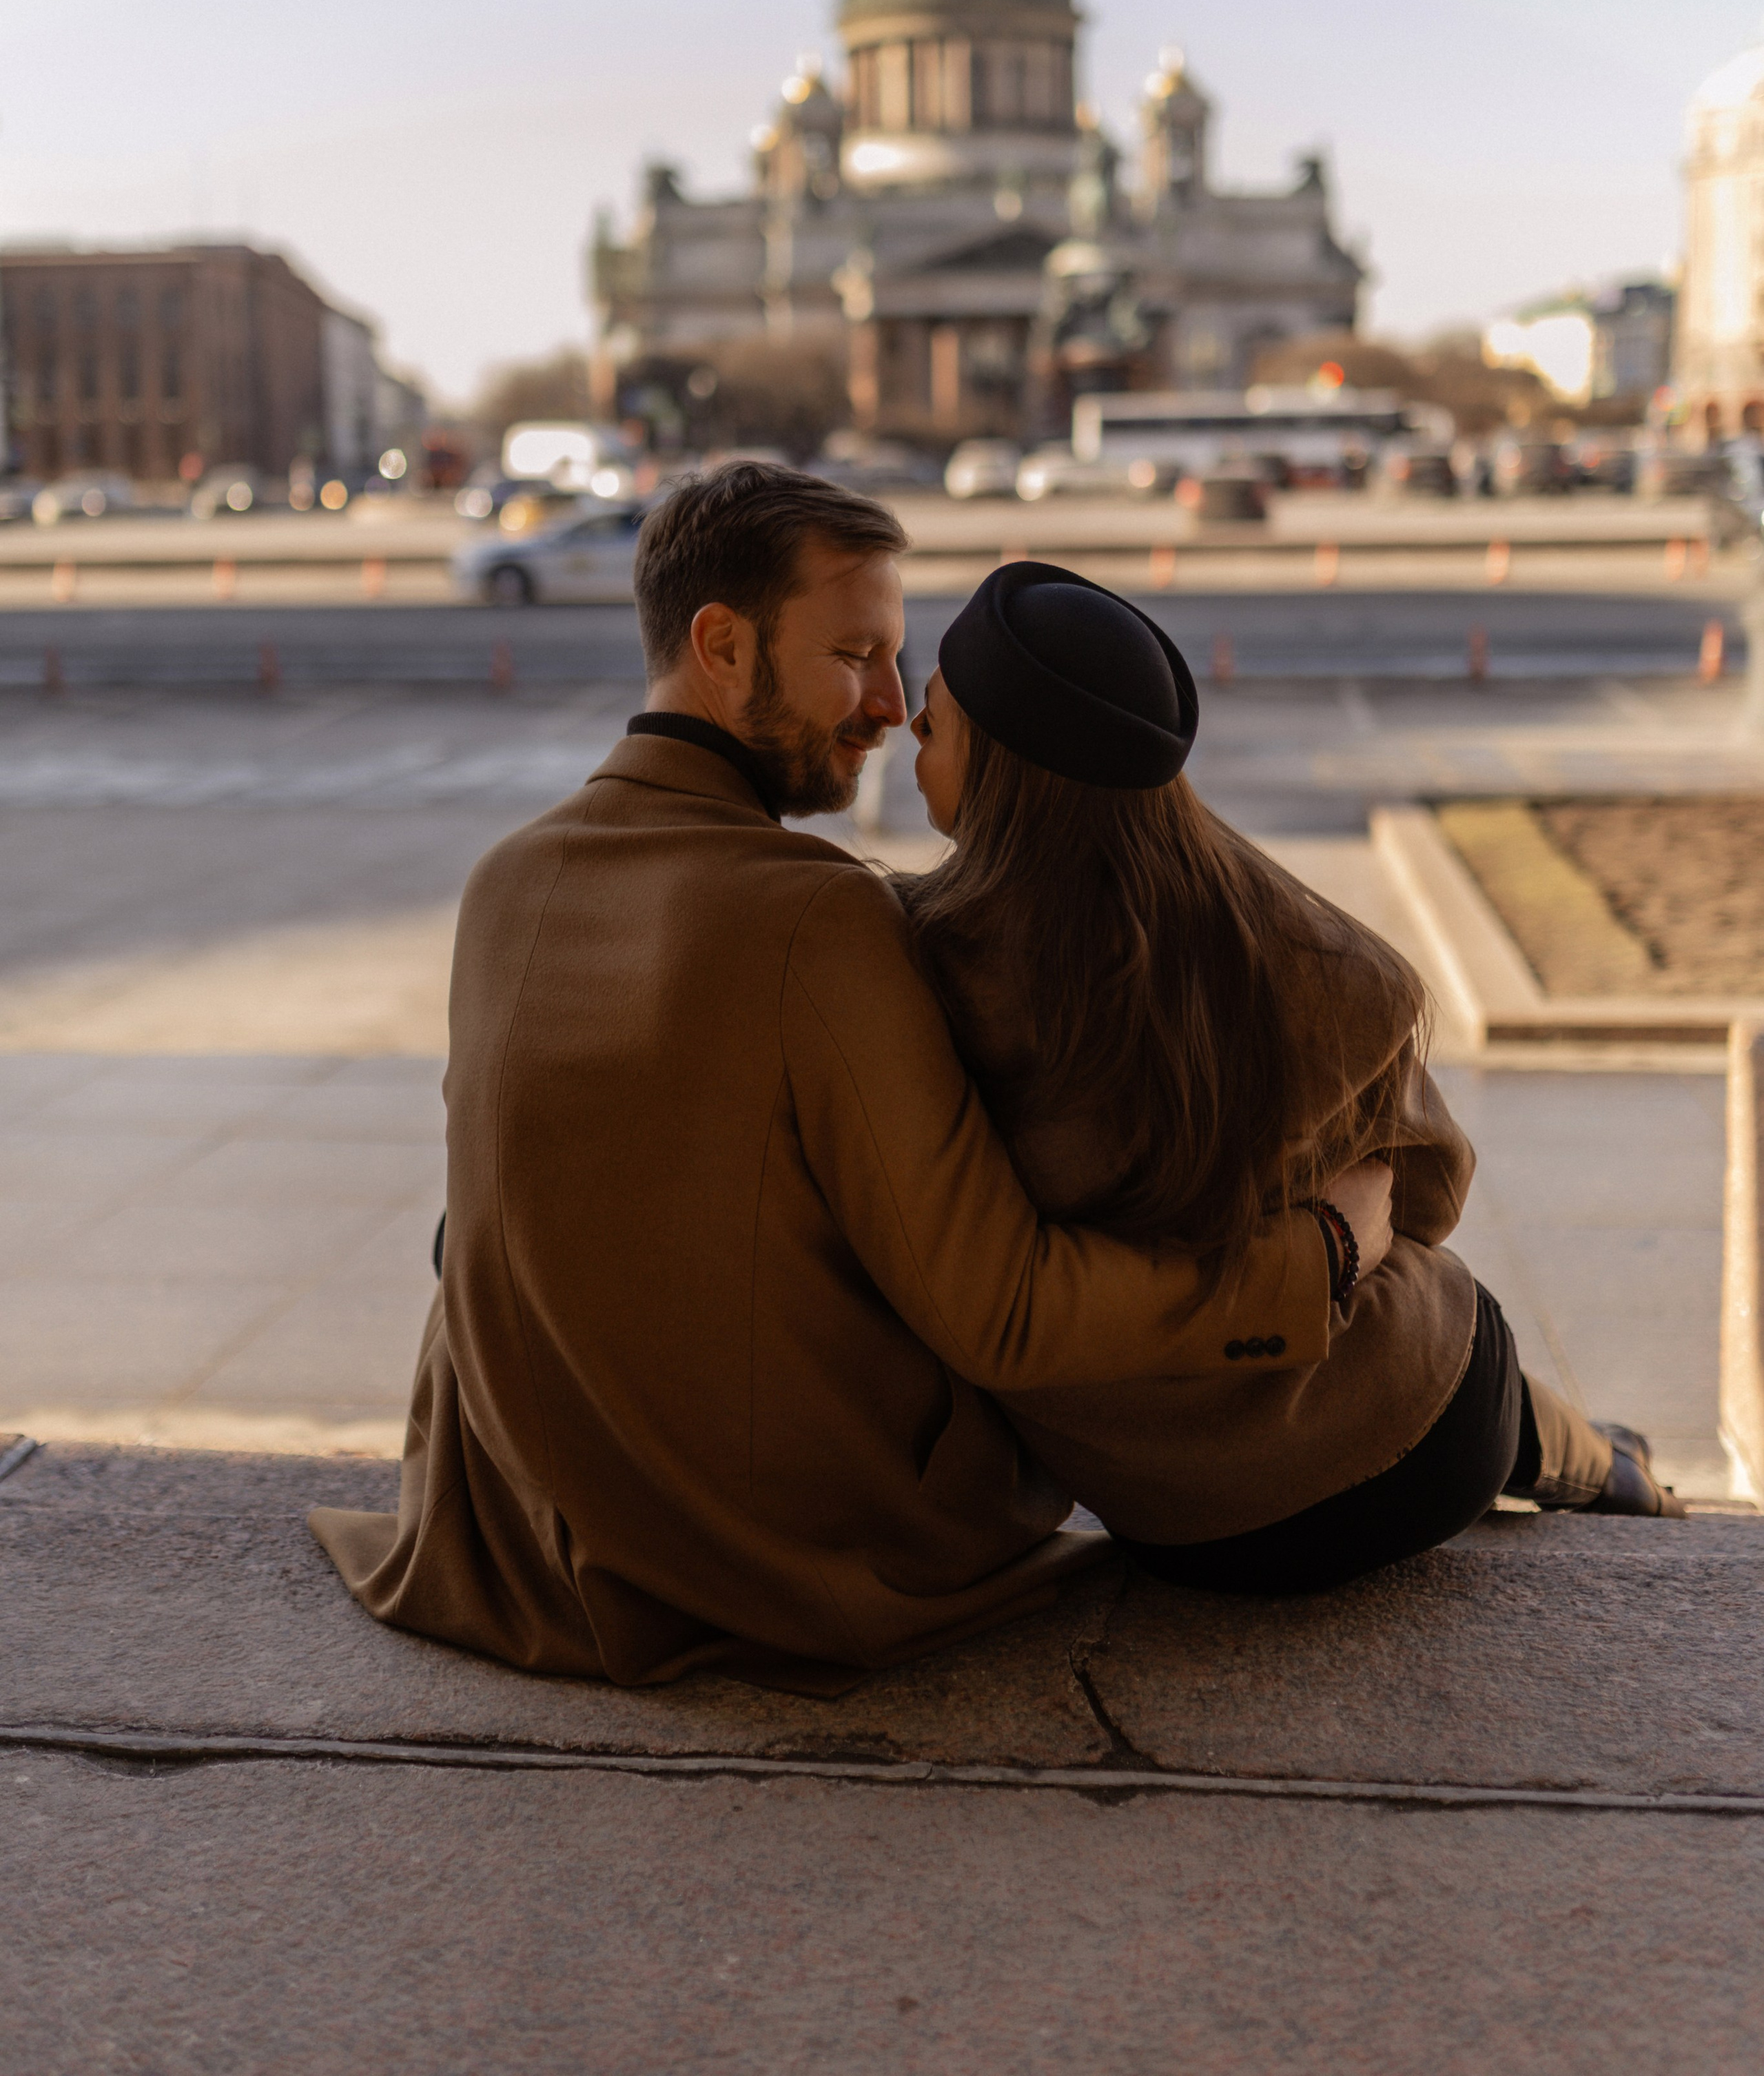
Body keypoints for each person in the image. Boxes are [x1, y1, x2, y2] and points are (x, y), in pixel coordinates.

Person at [309, 467, 1356, 1692]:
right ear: (721, 645)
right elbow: (1004, 1312)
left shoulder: (504, 882)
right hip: (791, 1563)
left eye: (895, 659)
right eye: (855, 657)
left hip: (524, 1547)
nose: (892, 709)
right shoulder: (816, 918)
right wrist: (1321, 1258)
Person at [902, 559, 1684, 1598]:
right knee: (1447, 1320)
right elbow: (1429, 1203)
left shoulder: (914, 969)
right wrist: (1319, 1233)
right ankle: (1616, 1470)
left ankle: (1605, 1457)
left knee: (1443, 1336)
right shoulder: (1301, 952)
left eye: (932, 721)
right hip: (1417, 1451)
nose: (907, 731)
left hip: (1175, 1521)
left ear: (1004, 772)